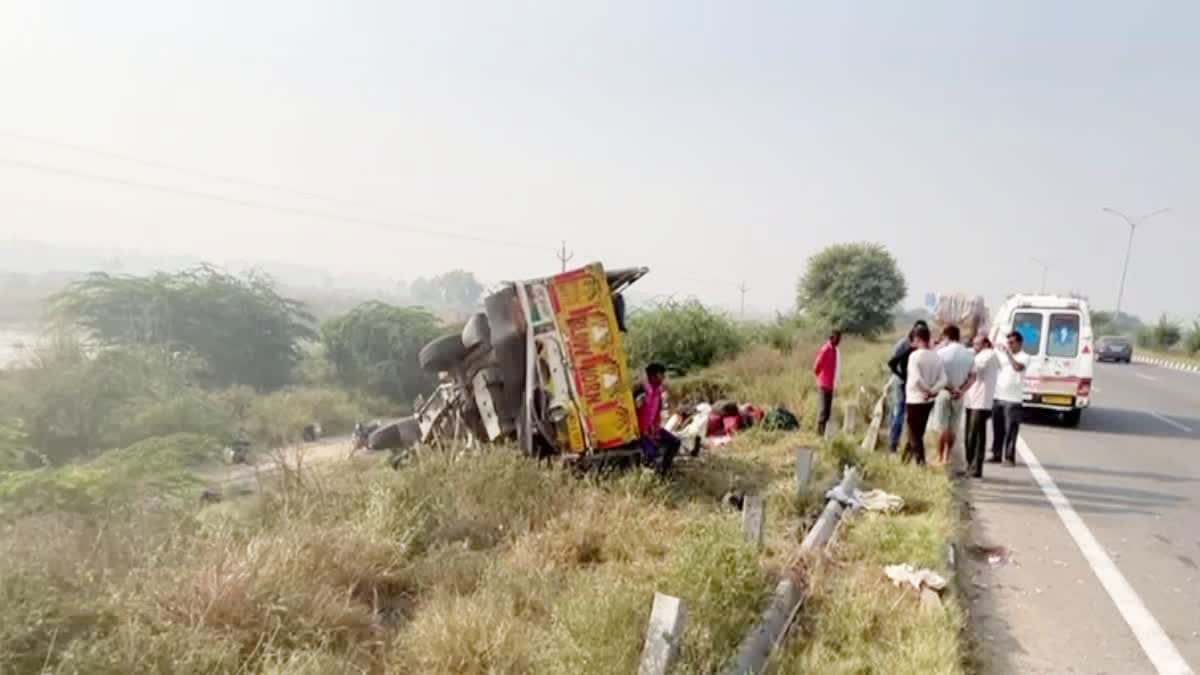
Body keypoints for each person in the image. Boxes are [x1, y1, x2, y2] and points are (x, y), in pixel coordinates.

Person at [932, 325, 976, 465]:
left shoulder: (941, 353)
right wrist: (961, 390)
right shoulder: (969, 354)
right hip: (959, 395)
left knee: (941, 427)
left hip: (944, 392)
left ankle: (939, 458)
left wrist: (950, 388)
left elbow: (936, 375)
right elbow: (972, 377)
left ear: (946, 336)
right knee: (953, 428)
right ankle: (947, 456)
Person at [903, 325, 946, 465]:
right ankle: (904, 460)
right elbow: (944, 379)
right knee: (917, 432)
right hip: (929, 400)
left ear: (917, 338)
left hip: (915, 398)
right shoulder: (936, 357)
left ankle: (921, 462)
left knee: (914, 433)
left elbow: (915, 378)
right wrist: (932, 391)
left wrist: (926, 390)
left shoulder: (914, 356)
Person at [887, 320, 928, 453]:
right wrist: (902, 376)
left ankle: (906, 444)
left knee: (906, 414)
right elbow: (893, 362)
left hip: (912, 383)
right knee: (899, 412)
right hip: (902, 382)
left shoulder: (918, 348)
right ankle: (893, 443)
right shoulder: (906, 345)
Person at [963, 336, 1000, 478]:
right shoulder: (979, 355)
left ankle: (975, 467)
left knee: (975, 436)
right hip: (972, 400)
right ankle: (971, 465)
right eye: (973, 343)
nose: (974, 346)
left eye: (977, 344)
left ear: (986, 343)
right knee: (970, 435)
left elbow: (975, 369)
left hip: (981, 402)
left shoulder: (989, 355)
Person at [991, 331, 1030, 466]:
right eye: (1008, 342)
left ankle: (1009, 457)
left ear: (1019, 343)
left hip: (1013, 400)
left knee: (1011, 431)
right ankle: (996, 455)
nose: (1010, 345)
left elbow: (1017, 367)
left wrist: (1008, 353)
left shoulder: (1024, 357)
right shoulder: (1002, 356)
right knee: (997, 429)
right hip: (998, 396)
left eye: (1012, 342)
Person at [636, 362, 681, 473]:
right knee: (652, 455)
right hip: (640, 433)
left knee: (675, 442)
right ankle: (654, 473)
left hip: (653, 430)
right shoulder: (641, 391)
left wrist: (656, 431)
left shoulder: (658, 393)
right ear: (653, 376)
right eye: (661, 375)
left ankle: (665, 470)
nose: (663, 378)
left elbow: (656, 415)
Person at [813, 330, 841, 436]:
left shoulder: (835, 350)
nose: (839, 341)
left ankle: (824, 434)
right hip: (824, 384)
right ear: (832, 337)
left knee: (828, 411)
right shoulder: (826, 349)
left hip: (830, 384)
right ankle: (819, 434)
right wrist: (821, 378)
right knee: (823, 410)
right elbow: (816, 366)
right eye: (838, 338)